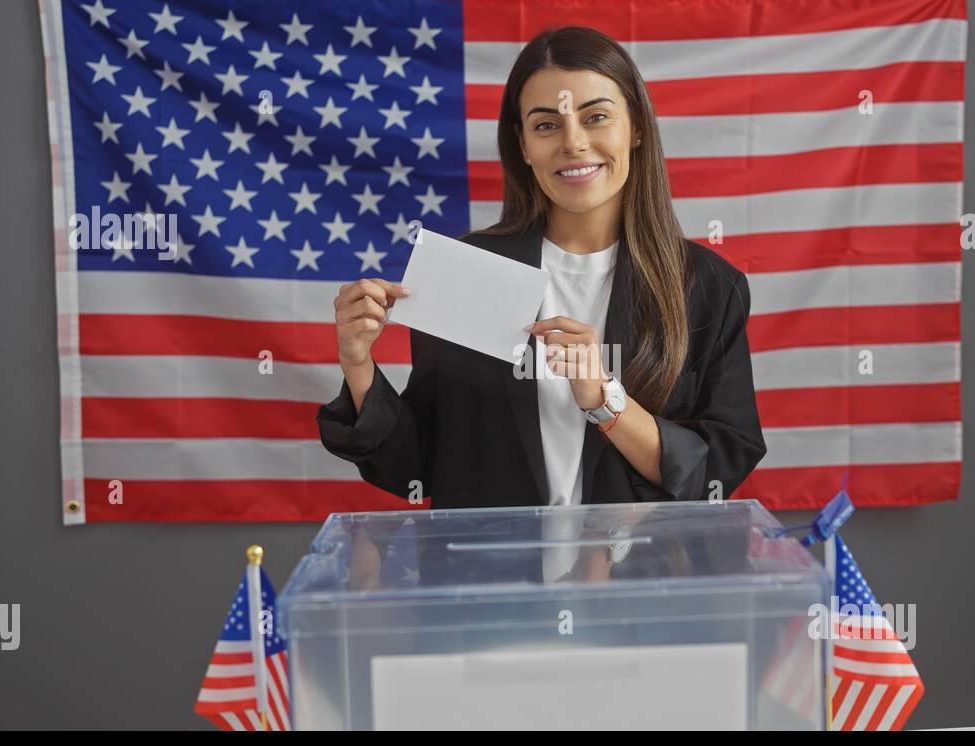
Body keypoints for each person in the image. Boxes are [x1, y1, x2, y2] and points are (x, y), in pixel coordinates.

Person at [317, 26, 767, 511]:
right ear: (524, 144)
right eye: (547, 125)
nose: (573, 143)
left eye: (596, 117)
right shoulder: (468, 271)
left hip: (642, 576)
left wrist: (603, 399)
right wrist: (359, 365)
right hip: (497, 578)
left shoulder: (707, 286)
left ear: (636, 127)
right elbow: (417, 468)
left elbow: (716, 472)